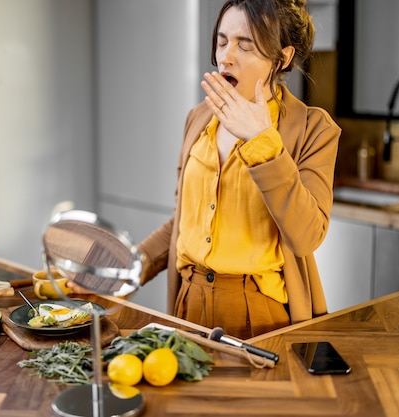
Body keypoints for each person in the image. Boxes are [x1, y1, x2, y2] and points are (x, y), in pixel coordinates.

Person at [137, 0, 341, 340]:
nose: (226, 57)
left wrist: (263, 141)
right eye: (222, 41)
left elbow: (306, 236)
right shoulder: (198, 118)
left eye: (245, 45)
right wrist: (130, 266)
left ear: (282, 58)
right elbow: (184, 220)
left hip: (258, 314)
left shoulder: (314, 130)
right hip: (188, 304)